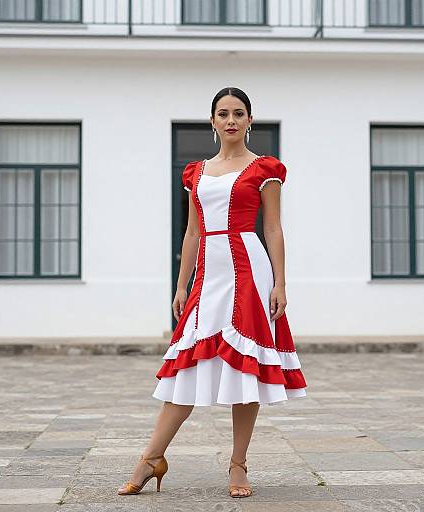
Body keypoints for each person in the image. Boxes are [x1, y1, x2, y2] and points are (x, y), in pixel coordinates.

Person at [118, 87, 307, 499]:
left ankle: (238, 465)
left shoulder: (265, 169)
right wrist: (181, 284)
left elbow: (272, 228)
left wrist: (280, 282)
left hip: (248, 268)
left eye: (239, 113)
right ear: (212, 122)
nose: (231, 120)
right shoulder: (196, 173)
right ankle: (151, 457)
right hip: (208, 272)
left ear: (250, 121)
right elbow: (191, 231)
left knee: (246, 369)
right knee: (184, 365)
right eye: (223, 113)